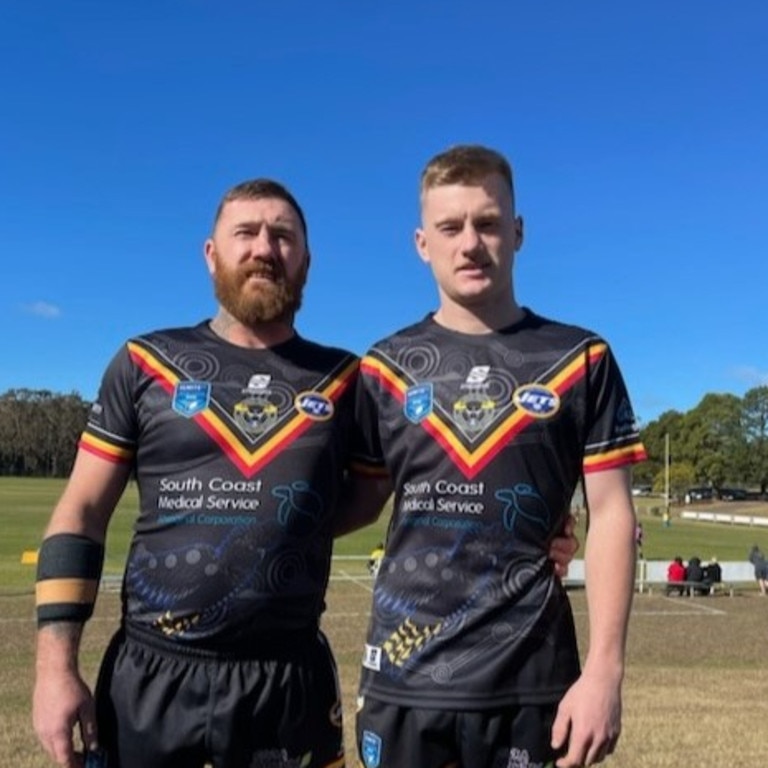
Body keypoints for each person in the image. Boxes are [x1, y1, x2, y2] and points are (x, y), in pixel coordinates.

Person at [32, 177, 577, 768]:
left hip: (289, 683)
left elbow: (406, 486)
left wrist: (540, 527)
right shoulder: (144, 362)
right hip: (150, 676)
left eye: (282, 236)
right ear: (211, 254)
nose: (264, 248)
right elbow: (82, 511)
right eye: (246, 233)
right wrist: (55, 669)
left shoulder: (350, 380)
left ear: (307, 261)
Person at [351, 145, 646, 768]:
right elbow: (350, 500)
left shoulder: (581, 358)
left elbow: (614, 516)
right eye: (450, 227)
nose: (471, 244)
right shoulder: (383, 367)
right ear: (421, 243)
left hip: (534, 681)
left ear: (517, 231)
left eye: (487, 223)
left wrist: (604, 673)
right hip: (404, 677)